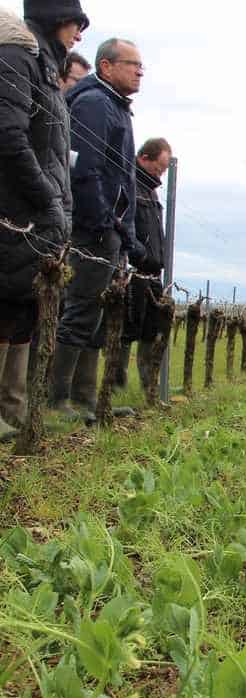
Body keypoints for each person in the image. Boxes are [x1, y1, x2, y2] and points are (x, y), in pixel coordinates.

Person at [0, 0, 89, 442]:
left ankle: (14, 416)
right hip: (16, 214)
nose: (80, 33)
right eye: (77, 22)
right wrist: (47, 200)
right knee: (5, 306)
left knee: (21, 313)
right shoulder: (18, 57)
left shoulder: (45, 68)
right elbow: (9, 136)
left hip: (34, 213)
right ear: (57, 18)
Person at [51, 37, 143, 422]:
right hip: (93, 229)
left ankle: (85, 397)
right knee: (81, 308)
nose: (139, 71)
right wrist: (107, 222)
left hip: (110, 230)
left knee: (95, 313)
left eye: (142, 66)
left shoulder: (115, 107)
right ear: (106, 67)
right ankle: (58, 400)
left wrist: (125, 232)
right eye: (132, 64)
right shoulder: (94, 104)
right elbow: (85, 171)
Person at [117, 137, 172, 393]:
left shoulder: (150, 190)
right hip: (134, 270)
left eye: (163, 171)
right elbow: (124, 224)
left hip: (153, 273)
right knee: (127, 328)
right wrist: (137, 252)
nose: (159, 174)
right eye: (158, 168)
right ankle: (116, 385)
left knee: (151, 330)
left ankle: (146, 387)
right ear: (144, 158)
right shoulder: (130, 184)